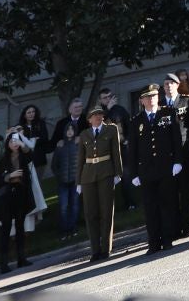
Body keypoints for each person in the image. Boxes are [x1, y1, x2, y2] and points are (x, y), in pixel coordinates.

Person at [125, 85, 181, 254]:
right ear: (141, 101)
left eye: (154, 96)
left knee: (166, 204)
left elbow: (176, 139)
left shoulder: (168, 114)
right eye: (147, 97)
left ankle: (167, 238)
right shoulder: (136, 121)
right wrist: (133, 173)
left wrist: (177, 161)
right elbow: (132, 150)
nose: (151, 99)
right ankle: (153, 242)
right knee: (150, 208)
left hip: (166, 167)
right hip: (146, 171)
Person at [76, 104, 122, 263]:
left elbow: (116, 152)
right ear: (89, 119)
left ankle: (105, 248)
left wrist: (118, 172)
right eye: (94, 115)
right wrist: (78, 182)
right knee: (91, 214)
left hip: (106, 173)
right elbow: (80, 159)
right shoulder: (84, 135)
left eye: (100, 114)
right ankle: (95, 250)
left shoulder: (111, 130)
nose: (98, 117)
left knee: (106, 211)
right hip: (88, 176)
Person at [0, 129, 36, 273]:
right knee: (6, 228)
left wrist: (22, 142)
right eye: (12, 141)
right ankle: (4, 263)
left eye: (16, 141)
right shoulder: (3, 159)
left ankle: (21, 258)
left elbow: (30, 154)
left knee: (20, 226)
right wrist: (10, 176)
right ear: (7, 143)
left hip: (20, 194)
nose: (14, 143)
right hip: (6, 198)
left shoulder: (23, 157)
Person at [159, 74, 189, 239]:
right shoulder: (159, 105)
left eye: (171, 83)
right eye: (166, 84)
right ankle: (174, 227)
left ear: (178, 85)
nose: (168, 86)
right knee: (170, 193)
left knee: (186, 191)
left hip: (184, 150)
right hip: (166, 155)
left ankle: (187, 226)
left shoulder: (186, 101)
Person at [46, 100, 85, 239]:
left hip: (75, 178)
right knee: (63, 206)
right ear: (70, 109)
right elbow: (54, 164)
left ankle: (73, 227)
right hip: (63, 180)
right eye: (75, 107)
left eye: (80, 107)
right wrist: (59, 176)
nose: (78, 109)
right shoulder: (60, 141)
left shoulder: (85, 122)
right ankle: (64, 229)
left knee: (75, 204)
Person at [96, 89, 133, 212]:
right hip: (106, 151)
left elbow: (128, 124)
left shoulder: (120, 109)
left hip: (122, 147)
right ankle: (107, 208)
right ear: (100, 100)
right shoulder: (98, 112)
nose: (108, 99)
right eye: (105, 98)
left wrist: (127, 139)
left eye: (109, 96)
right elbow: (100, 127)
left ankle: (130, 203)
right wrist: (109, 109)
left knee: (126, 175)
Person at [13, 106, 50, 171]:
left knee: (38, 179)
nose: (31, 114)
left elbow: (44, 138)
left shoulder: (40, 123)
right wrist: (33, 140)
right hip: (26, 160)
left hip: (39, 159)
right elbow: (17, 141)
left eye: (33, 112)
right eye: (29, 112)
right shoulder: (19, 127)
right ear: (24, 115)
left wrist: (28, 141)